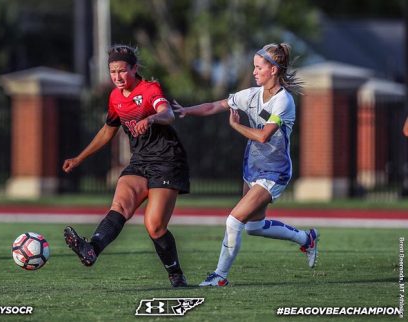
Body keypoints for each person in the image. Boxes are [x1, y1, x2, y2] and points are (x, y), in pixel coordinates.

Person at [172, 43, 318, 286]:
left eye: (258, 67)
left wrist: (236, 126)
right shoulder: (250, 95)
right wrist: (186, 110)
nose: (254, 72)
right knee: (253, 226)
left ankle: (219, 276)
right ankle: (306, 239)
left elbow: (264, 136)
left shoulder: (284, 101)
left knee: (233, 221)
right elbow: (215, 106)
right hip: (252, 169)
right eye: (254, 67)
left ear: (273, 70)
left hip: (274, 172)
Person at [62, 45, 190, 287]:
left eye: (122, 71)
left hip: (167, 161)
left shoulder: (149, 89)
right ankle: (91, 249)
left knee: (154, 226)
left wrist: (151, 117)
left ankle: (176, 274)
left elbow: (168, 114)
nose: (117, 77)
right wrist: (80, 158)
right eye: (112, 72)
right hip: (140, 160)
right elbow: (107, 131)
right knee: (119, 206)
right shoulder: (115, 97)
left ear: (134, 68)